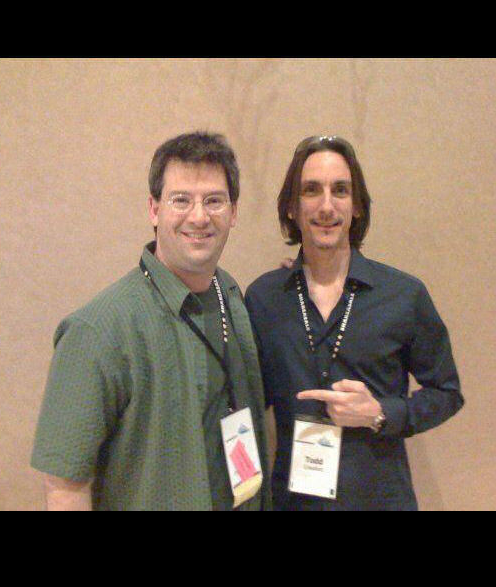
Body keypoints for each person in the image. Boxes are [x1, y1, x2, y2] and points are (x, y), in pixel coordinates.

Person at [31, 131, 270, 511]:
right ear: (154, 210)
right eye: (181, 200)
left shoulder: (230, 297)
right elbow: (64, 486)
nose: (199, 216)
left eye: (214, 200)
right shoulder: (97, 331)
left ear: (233, 212)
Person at [245, 135, 464, 511]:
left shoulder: (403, 295)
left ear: (357, 205)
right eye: (311, 190)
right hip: (293, 503)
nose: (326, 206)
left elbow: (447, 393)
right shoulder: (264, 298)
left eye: (340, 190)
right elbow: (248, 398)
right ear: (292, 208)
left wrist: (380, 413)